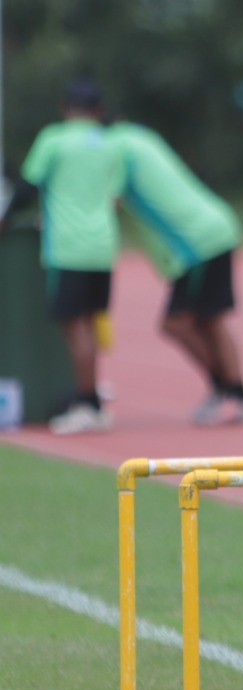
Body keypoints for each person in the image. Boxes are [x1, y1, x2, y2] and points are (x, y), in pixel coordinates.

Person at [108, 121, 243, 424]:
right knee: (209, 319)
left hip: (196, 243)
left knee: (176, 322)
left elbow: (110, 198)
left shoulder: (116, 149)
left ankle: (226, 388)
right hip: (209, 231)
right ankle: (235, 393)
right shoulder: (137, 137)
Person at [1, 80, 125, 434]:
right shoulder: (110, 145)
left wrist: (6, 218)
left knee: (75, 328)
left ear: (65, 108)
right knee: (89, 322)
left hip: (69, 246)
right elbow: (116, 198)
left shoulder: (54, 139)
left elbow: (27, 187)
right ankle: (92, 399)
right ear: (98, 111)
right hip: (103, 244)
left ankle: (87, 403)